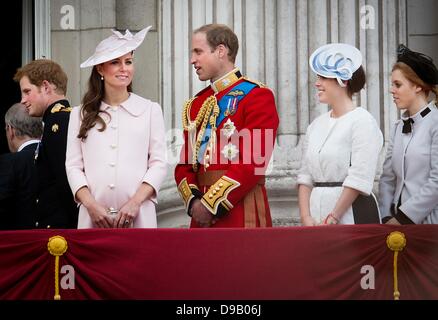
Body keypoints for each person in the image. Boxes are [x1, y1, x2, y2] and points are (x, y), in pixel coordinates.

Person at [174, 24, 279, 228]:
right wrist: (195, 202)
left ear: (221, 51)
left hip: (241, 211)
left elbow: (254, 161)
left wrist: (211, 204)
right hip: (200, 217)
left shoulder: (257, 96)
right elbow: (184, 165)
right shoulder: (196, 104)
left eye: (198, 52)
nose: (192, 60)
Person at [66, 26, 167, 229]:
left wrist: (135, 203)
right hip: (93, 218)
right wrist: (90, 205)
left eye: (128, 62)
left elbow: (159, 163)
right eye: (115, 62)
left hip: (139, 216)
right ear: (100, 69)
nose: (124, 68)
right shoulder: (80, 113)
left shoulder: (150, 110)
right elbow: (73, 166)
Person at [297, 43, 383, 226]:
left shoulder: (363, 122)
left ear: (342, 80)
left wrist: (334, 216)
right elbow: (305, 176)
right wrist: (306, 217)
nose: (317, 83)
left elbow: (360, 177)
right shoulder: (315, 126)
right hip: (315, 218)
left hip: (352, 215)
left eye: (323, 77)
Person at [14, 59, 78, 228]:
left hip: (62, 233)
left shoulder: (58, 123)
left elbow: (66, 183)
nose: (23, 100)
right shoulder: (58, 120)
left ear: (46, 87)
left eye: (27, 91)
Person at [379, 45, 438, 224]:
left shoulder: (435, 123)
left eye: (398, 84)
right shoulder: (398, 127)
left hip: (429, 225)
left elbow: (437, 182)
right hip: (394, 226)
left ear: (418, 87)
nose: (392, 90)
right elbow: (387, 179)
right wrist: (387, 216)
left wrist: (404, 218)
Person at [0, 103, 42, 229]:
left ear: (10, 130)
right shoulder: (58, 156)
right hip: (57, 241)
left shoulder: (8, 163)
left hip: (18, 242)